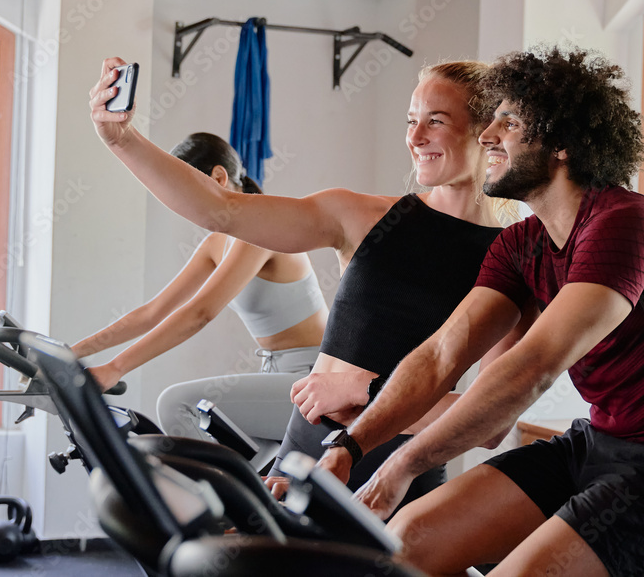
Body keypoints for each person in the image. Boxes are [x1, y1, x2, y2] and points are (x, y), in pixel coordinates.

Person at [307, 46, 644, 577]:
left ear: (562, 143)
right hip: (596, 444)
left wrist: (400, 468)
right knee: (403, 543)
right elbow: (440, 356)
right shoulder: (521, 245)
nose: (486, 135)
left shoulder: (628, 223)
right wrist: (351, 445)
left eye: (509, 121)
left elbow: (533, 367)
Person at [88, 57, 534, 509]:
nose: (415, 137)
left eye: (435, 122)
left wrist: (364, 391)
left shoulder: (514, 258)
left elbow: (491, 420)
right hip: (301, 455)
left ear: (486, 132)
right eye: (411, 120)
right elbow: (219, 208)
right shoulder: (363, 217)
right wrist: (121, 139)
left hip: (395, 482)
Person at [73, 132, 329, 440]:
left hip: (315, 376)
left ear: (218, 177)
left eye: (184, 193)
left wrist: (115, 367)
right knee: (233, 465)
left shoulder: (261, 224)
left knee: (176, 405)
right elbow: (152, 312)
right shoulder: (217, 243)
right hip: (276, 376)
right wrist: (72, 353)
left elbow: (200, 313)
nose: (181, 207)